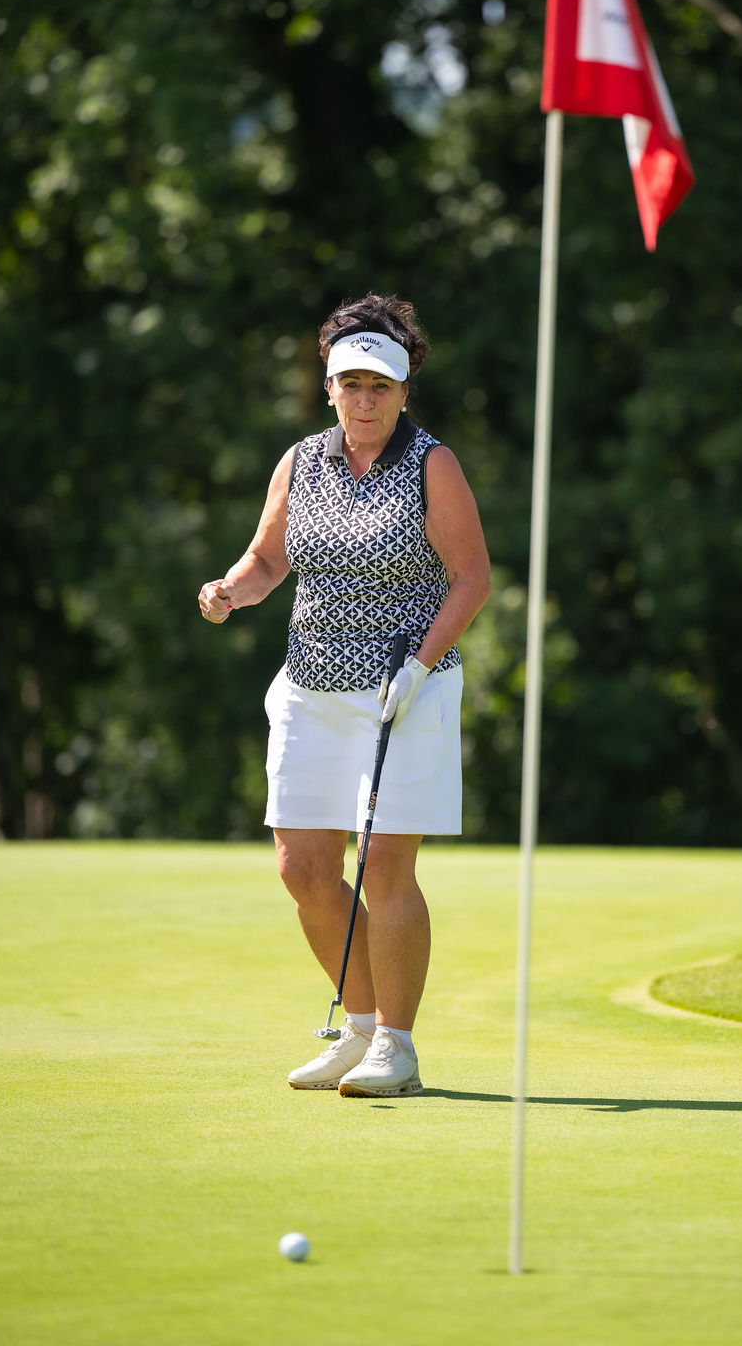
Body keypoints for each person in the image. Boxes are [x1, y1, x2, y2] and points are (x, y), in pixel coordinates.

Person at [197, 294, 490, 1097]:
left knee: (385, 867)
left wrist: (421, 666)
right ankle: (357, 1029)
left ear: (403, 392)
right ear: (329, 388)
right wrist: (230, 589)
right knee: (304, 869)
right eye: (351, 385)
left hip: (405, 688)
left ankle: (396, 1043)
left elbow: (471, 578)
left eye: (380, 387)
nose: (365, 401)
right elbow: (268, 560)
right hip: (310, 687)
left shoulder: (431, 463)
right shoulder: (301, 462)